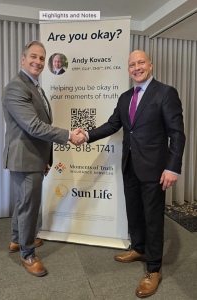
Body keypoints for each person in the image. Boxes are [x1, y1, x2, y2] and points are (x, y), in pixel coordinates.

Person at [77, 50, 185, 297]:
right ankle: (138, 248)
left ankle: (154, 269)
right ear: (128, 69)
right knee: (134, 212)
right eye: (132, 65)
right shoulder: (126, 97)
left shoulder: (166, 93)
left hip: (156, 169)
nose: (136, 68)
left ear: (150, 65)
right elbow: (113, 124)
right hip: (129, 165)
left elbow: (177, 133)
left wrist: (172, 167)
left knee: (153, 217)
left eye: (140, 63)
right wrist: (87, 136)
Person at [2, 40, 85, 277]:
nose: (38, 61)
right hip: (24, 158)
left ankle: (17, 240)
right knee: (29, 206)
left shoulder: (34, 85)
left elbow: (40, 125)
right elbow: (34, 126)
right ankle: (27, 255)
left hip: (33, 156)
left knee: (24, 202)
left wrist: (46, 157)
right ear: (23, 58)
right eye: (33, 57)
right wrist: (69, 135)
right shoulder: (16, 87)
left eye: (41, 58)